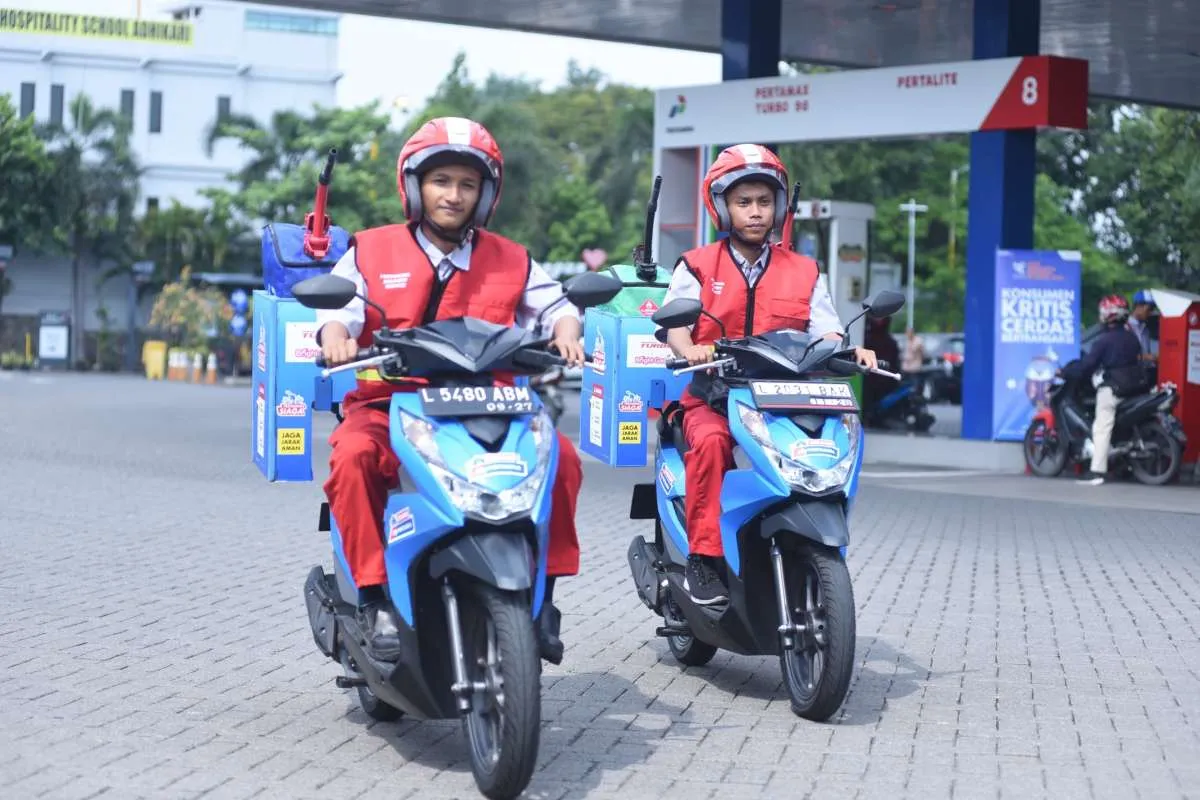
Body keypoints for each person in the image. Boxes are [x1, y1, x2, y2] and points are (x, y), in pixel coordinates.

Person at [315, 116, 584, 664]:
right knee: (354, 459)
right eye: (441, 182)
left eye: (467, 184)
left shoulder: (512, 258)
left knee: (565, 461)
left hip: (492, 407)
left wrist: (566, 332)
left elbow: (556, 307)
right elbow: (339, 312)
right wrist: (338, 336)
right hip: (391, 403)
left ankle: (545, 599)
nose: (454, 195)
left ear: (485, 194)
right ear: (415, 186)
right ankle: (372, 601)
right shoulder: (370, 250)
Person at [658, 144, 878, 604]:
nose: (755, 213)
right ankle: (704, 557)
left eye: (764, 202)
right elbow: (675, 326)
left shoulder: (804, 271)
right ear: (722, 207)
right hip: (715, 396)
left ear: (778, 207)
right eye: (744, 203)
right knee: (713, 444)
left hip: (785, 400)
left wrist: (853, 351)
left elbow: (827, 331)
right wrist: (691, 348)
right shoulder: (697, 265)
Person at [1064, 295, 1144, 486]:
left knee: (1101, 426)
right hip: (1134, 387)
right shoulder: (1132, 339)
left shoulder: (1103, 341)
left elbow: (1088, 365)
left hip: (1114, 388)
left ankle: (1097, 471)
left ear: (1107, 316)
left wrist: (1066, 371)